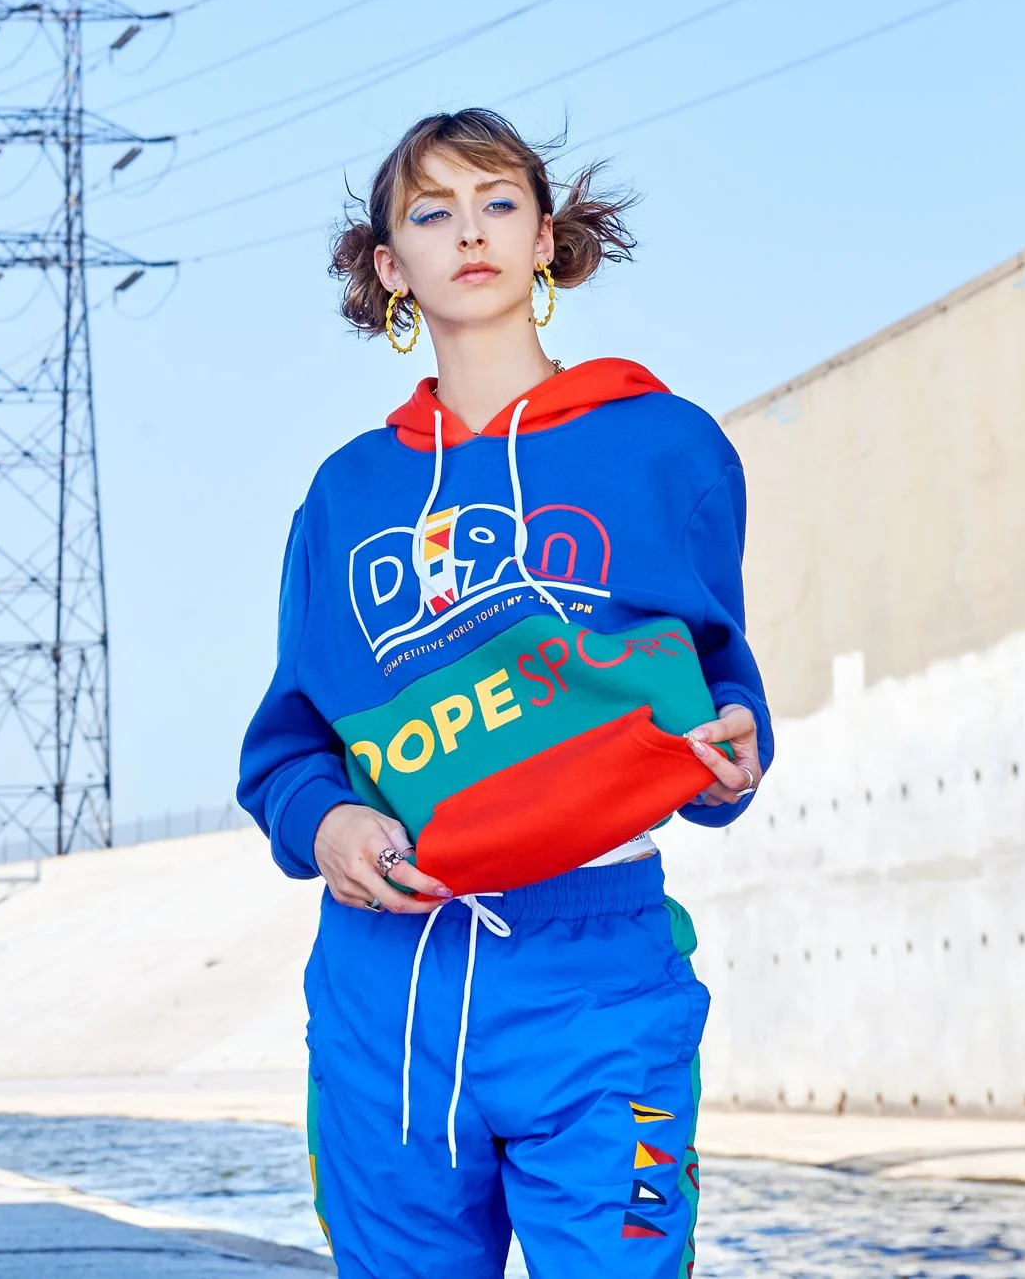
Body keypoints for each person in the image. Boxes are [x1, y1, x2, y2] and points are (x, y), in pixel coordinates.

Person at [235, 109, 771, 1277]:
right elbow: (287, 745)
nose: (466, 232)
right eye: (430, 212)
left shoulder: (663, 445)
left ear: (544, 237)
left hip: (599, 972)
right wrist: (326, 821)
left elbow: (720, 671)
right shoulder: (345, 494)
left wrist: (734, 752)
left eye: (497, 203)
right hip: (390, 985)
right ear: (390, 266)